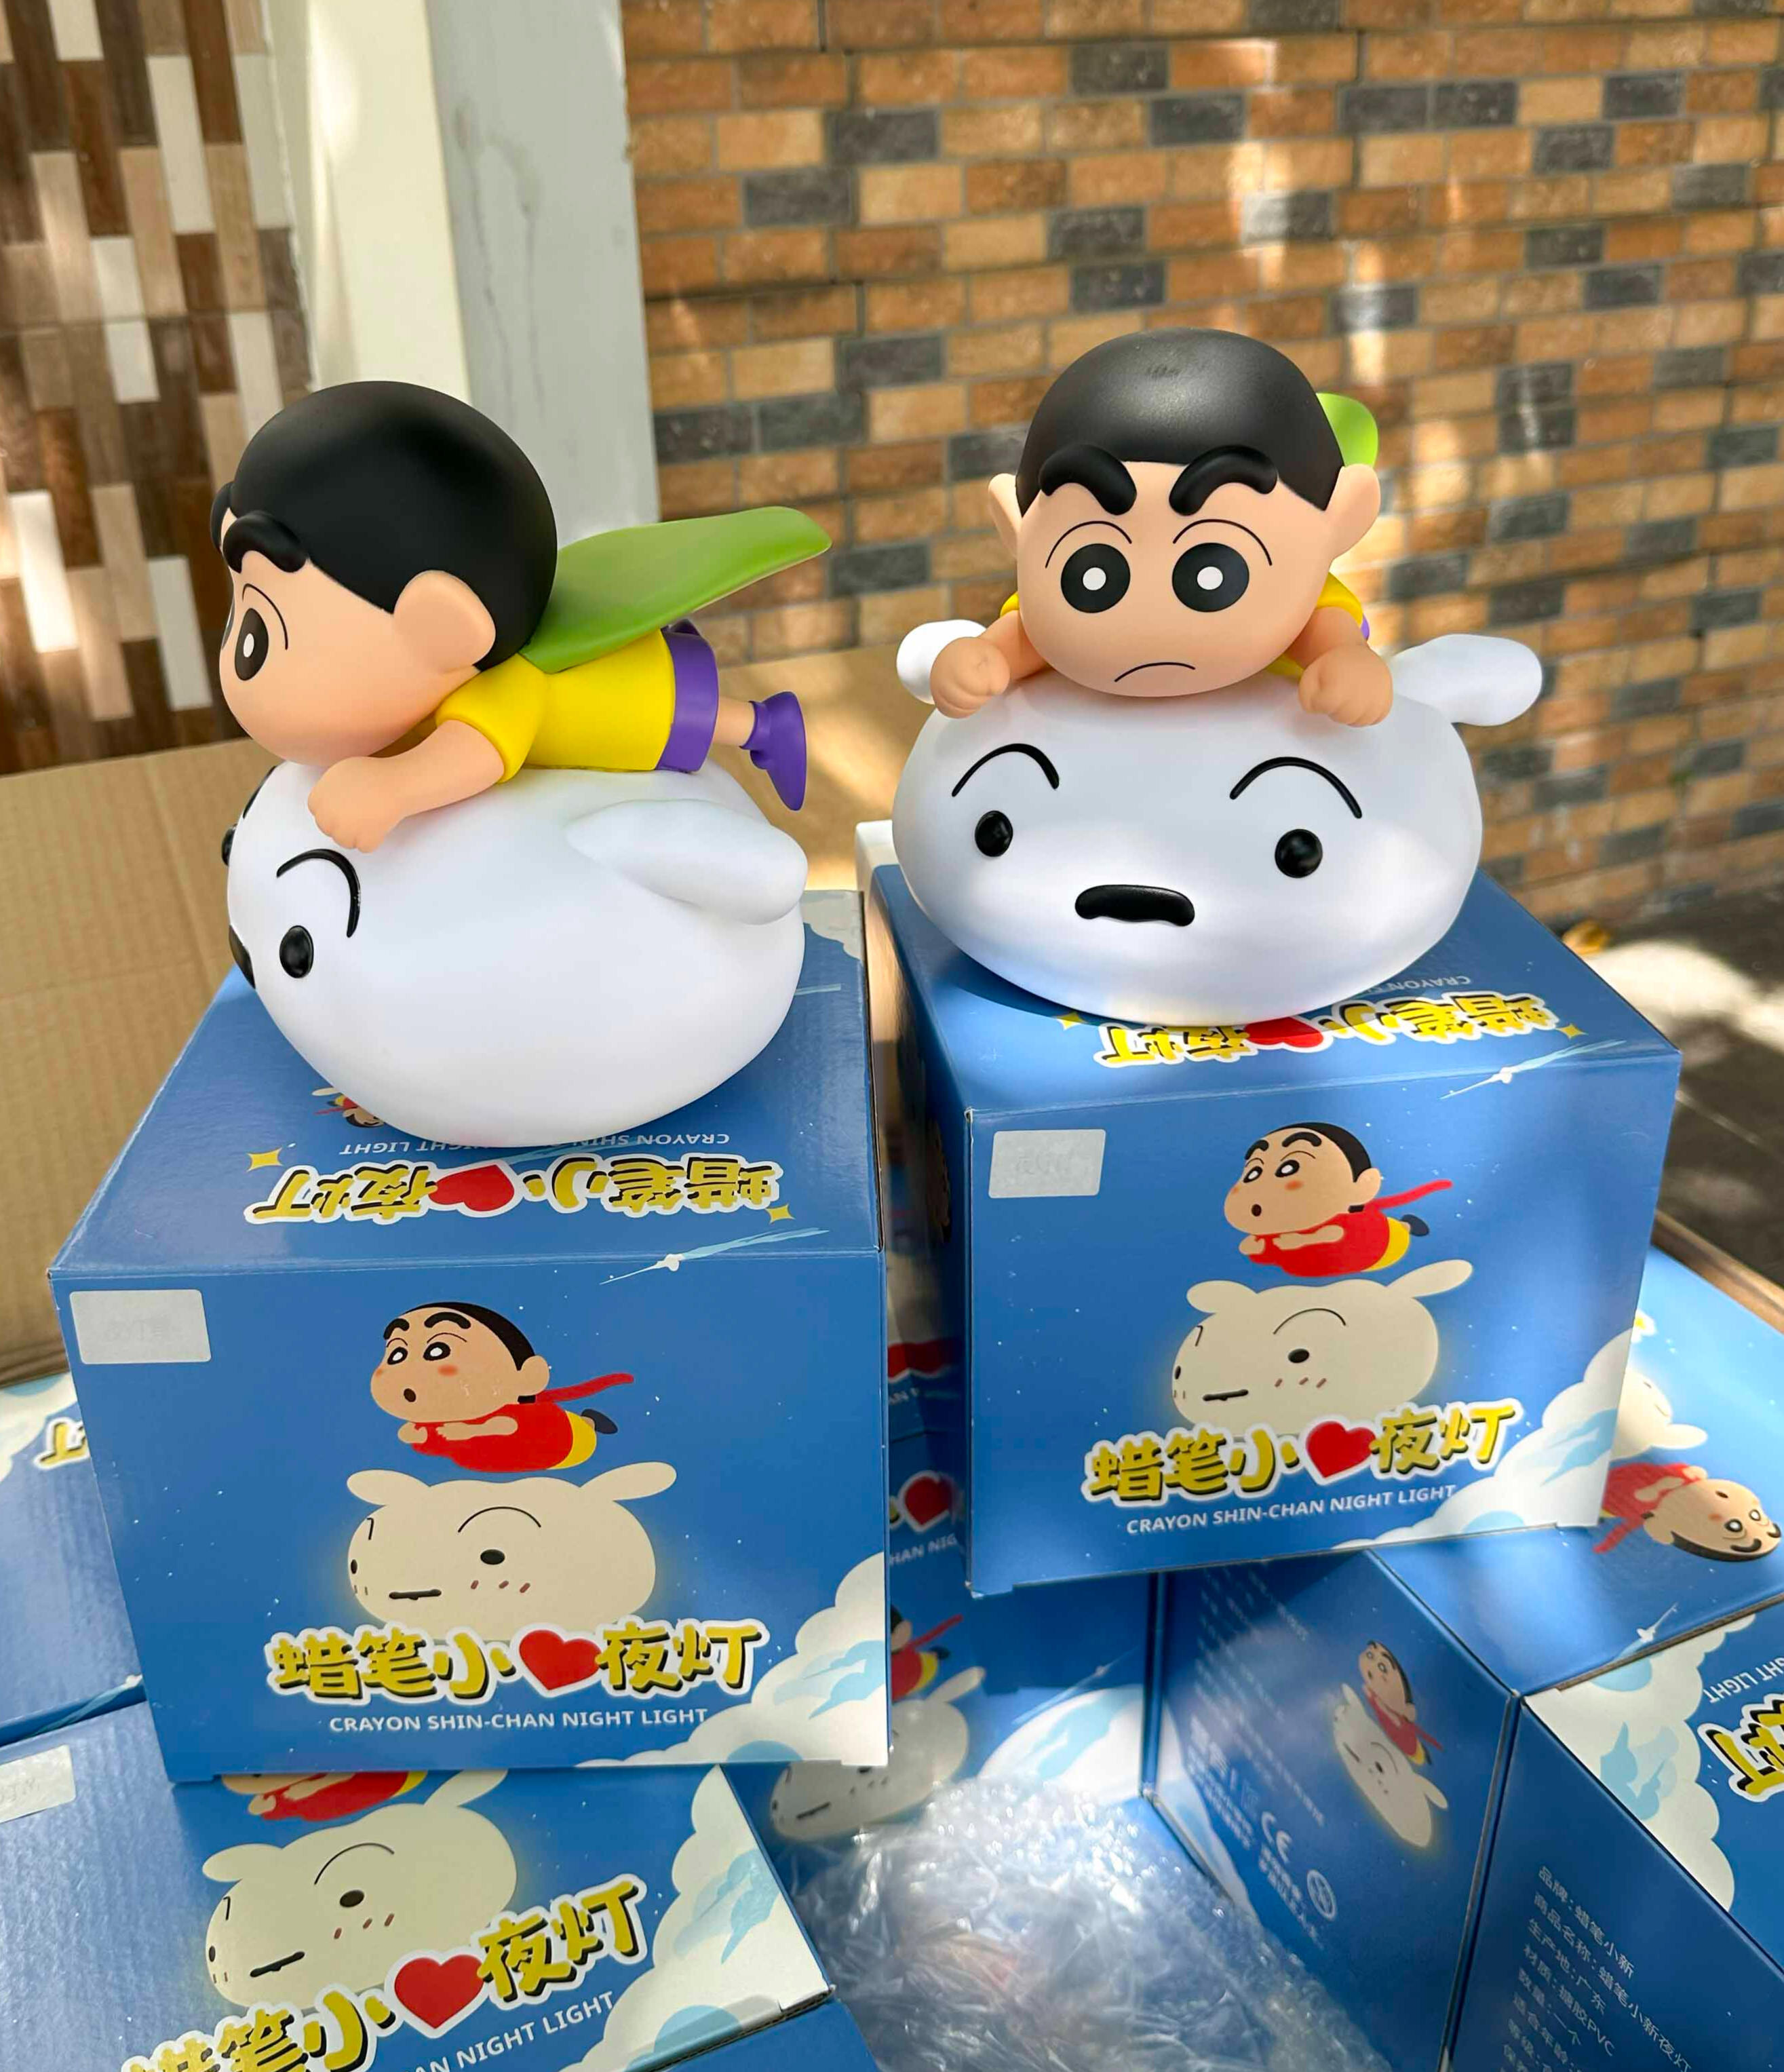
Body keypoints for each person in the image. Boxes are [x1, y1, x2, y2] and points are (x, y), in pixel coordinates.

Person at [213, 382, 810, 851]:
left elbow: (475, 754)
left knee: (703, 719)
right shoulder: (415, 703)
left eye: (258, 637)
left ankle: (769, 728)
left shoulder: (506, 690)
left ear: (443, 631)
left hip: (643, 699)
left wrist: (394, 787)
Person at [927, 330, 1389, 726]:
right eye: (1093, 575)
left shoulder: (1307, 612)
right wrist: (983, 658)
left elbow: (1328, 640)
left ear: (1341, 520)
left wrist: (1349, 664)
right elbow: (1022, 638)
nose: (1150, 623)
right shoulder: (1038, 618)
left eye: (1211, 572)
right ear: (1016, 531)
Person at [370, 1301, 630, 1473]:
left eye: (439, 1350)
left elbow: (507, 1427)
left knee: (582, 1433)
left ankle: (589, 1422)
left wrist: (473, 1430)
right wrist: (417, 1436)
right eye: (397, 1354)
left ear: (527, 1375)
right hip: (502, 1462)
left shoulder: (513, 1414)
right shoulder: (442, 1422)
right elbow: (431, 1443)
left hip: (566, 1442)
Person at [1226, 1123, 1450, 1277]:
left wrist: (1304, 1240)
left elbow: (1334, 1234)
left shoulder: (1349, 1222)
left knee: (1395, 1229)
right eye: (1253, 1172)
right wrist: (1258, 1248)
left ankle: (1406, 1226)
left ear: (1363, 1185)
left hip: (1384, 1246)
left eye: (1289, 1168)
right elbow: (1267, 1256)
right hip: (1322, 1269)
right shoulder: (1275, 1233)